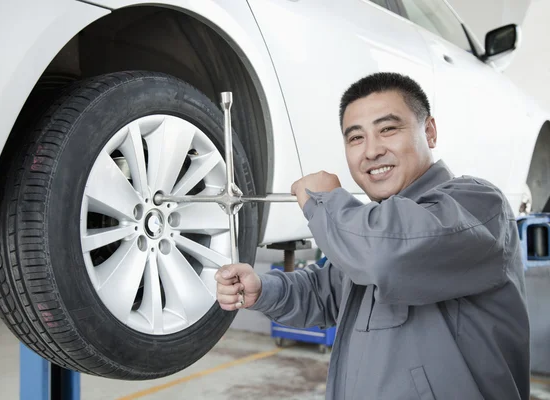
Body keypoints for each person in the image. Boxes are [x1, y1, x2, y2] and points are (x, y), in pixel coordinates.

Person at [215, 72, 530, 399]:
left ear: (430, 132)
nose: (371, 151)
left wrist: (327, 202)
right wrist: (264, 289)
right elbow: (326, 291)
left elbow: (389, 254)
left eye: (388, 129)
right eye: (356, 138)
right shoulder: (366, 233)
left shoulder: (477, 205)